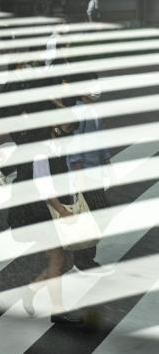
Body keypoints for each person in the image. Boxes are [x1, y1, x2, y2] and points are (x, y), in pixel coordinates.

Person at [8, 121, 84, 325]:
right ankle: (58, 311)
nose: (72, 133)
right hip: (43, 214)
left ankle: (31, 289)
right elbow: (44, 187)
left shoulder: (61, 150)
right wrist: (61, 210)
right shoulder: (42, 153)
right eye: (69, 129)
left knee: (67, 262)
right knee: (57, 260)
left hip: (60, 208)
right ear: (55, 129)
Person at [67, 73, 109, 270]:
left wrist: (107, 160)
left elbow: (100, 139)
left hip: (95, 171)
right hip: (85, 173)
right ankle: (82, 258)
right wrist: (78, 173)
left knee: (94, 214)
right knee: (96, 214)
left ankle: (83, 256)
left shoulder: (93, 110)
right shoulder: (78, 112)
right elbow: (74, 147)